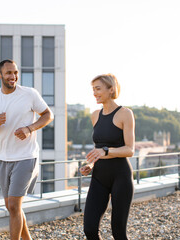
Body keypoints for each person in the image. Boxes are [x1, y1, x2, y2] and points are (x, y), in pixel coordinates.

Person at [0, 59, 54, 240]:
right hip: (4, 158)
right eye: (8, 73)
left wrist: (29, 128)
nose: (13, 76)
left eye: (15, 72)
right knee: (11, 206)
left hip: (26, 156)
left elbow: (48, 115)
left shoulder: (29, 94)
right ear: (0, 75)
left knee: (14, 205)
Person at [80, 73, 135, 240]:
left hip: (121, 176)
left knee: (118, 232)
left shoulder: (125, 113)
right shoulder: (95, 115)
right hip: (99, 177)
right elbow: (98, 148)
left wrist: (106, 151)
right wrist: (92, 165)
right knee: (89, 229)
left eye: (98, 89)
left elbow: (130, 149)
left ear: (111, 89)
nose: (95, 93)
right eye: (93, 90)